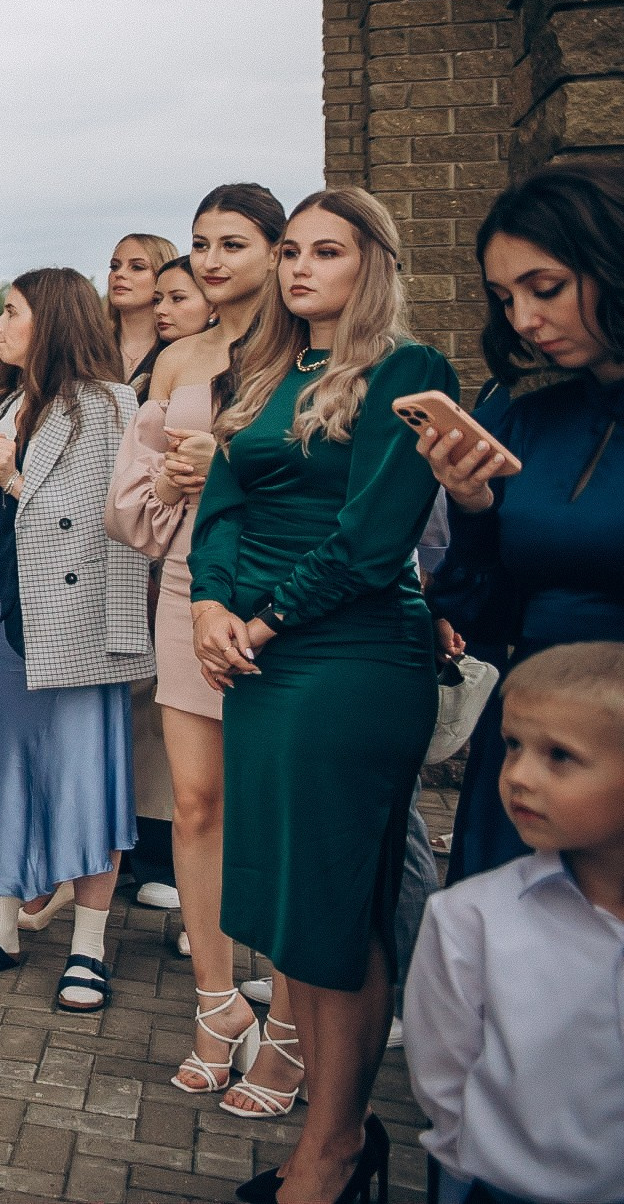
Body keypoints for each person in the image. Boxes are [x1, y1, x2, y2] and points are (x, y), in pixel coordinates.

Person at [189, 187, 455, 1204]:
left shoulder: (409, 371)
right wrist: (210, 603)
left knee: (336, 906)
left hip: (350, 657)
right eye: (292, 251)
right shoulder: (263, 372)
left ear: (371, 262)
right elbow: (222, 503)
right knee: (288, 905)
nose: (300, 268)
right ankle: (335, 1138)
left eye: (325, 251)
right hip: (257, 659)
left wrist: (259, 622)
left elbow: (374, 537)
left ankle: (334, 1149)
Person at [107, 183, 298, 1108]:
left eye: (234, 243)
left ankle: (292, 1023)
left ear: (277, 250)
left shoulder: (313, 349)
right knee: (194, 802)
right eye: (201, 243)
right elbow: (133, 494)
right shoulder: (181, 355)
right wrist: (169, 482)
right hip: (188, 579)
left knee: (280, 812)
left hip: (286, 585)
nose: (213, 260)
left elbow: (327, 475)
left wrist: (228, 468)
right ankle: (216, 1003)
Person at [0, 268, 149, 1014]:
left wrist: (16, 479)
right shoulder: (7, 402)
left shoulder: (111, 405)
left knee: (86, 774)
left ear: (52, 320)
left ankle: (88, 948)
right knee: (3, 770)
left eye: (13, 311)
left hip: (76, 620)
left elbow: (110, 523)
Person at [420, 162, 624, 883]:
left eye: (546, 288)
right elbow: (487, 612)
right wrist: (474, 508)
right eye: (505, 298)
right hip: (533, 732)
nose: (524, 321)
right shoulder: (523, 412)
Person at [405, 642, 624, 1204]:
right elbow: (442, 1074)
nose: (519, 775)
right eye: (512, 746)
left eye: (560, 755)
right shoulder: (471, 918)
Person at [109, 233, 178, 389]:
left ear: (163, 275)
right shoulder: (89, 349)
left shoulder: (181, 350)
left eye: (137, 267)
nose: (119, 274)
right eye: (114, 266)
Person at [150, 257, 213, 373]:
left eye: (177, 298)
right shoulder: (148, 374)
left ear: (213, 306)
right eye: (157, 300)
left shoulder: (239, 369)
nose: (159, 310)